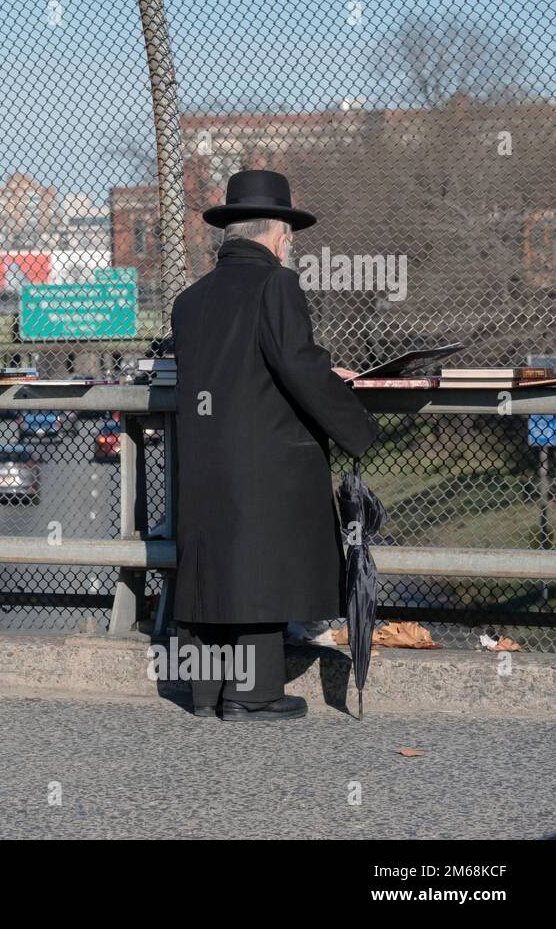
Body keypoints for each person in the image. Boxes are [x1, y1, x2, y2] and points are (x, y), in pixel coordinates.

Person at [170, 169, 377, 721]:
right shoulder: (277, 285)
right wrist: (355, 423)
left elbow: (239, 366)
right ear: (278, 235)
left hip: (202, 457)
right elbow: (295, 364)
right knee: (258, 560)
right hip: (264, 459)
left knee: (217, 562)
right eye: (289, 236)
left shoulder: (190, 301)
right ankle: (254, 694)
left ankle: (209, 690)